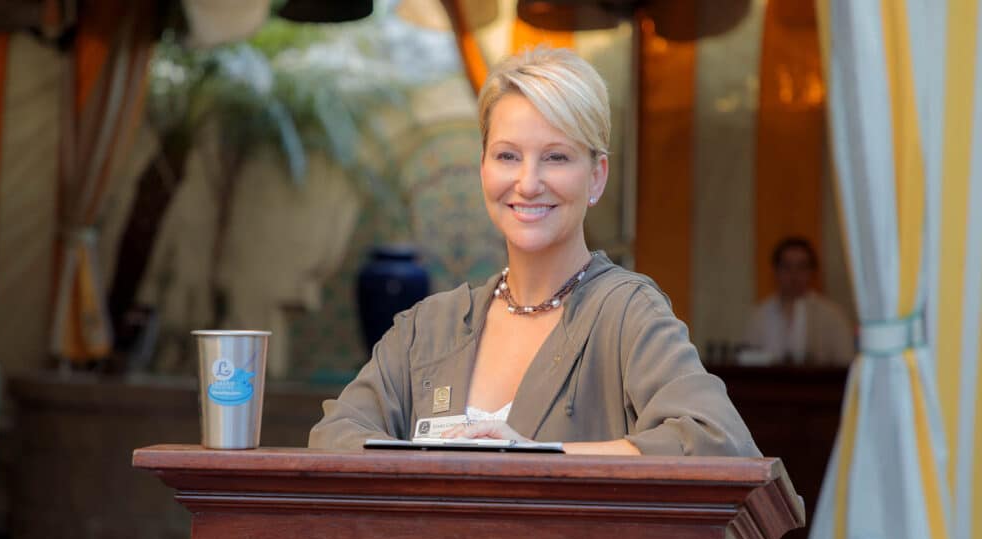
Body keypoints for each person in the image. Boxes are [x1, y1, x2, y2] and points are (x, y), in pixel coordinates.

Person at [308, 47, 759, 457]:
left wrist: (539, 458)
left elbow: (715, 442)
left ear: (597, 177)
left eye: (556, 157)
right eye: (507, 156)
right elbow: (334, 437)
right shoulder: (427, 328)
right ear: (482, 166)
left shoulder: (628, 314)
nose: (527, 183)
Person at [743, 237, 856, 366]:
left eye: (801, 267)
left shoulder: (832, 316)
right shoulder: (759, 315)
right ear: (775, 271)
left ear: (812, 272)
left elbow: (846, 364)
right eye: (786, 266)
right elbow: (747, 359)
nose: (794, 274)